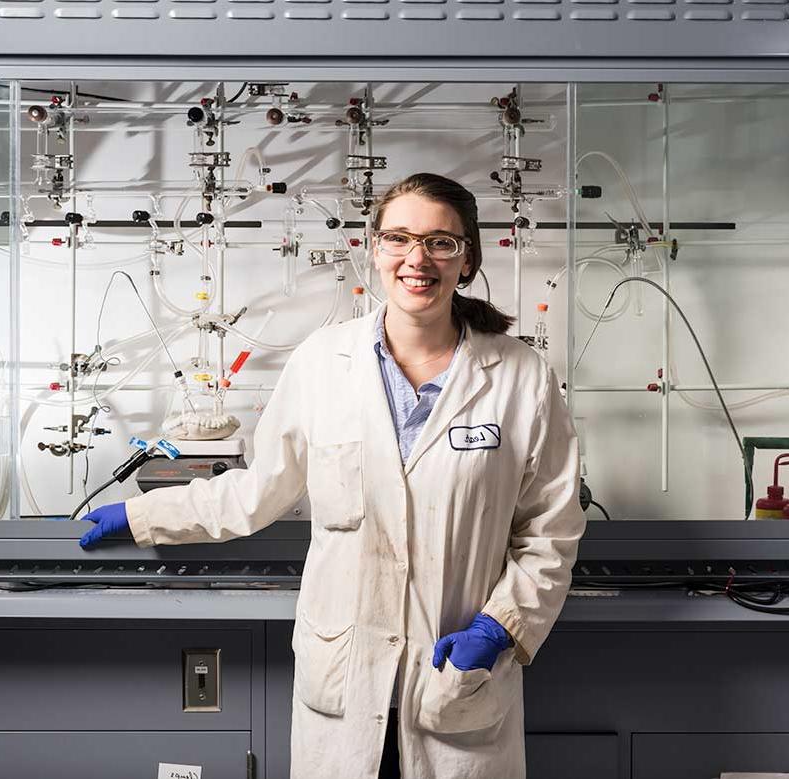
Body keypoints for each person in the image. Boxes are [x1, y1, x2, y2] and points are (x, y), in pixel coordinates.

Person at [79, 172, 586, 779]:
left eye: (441, 242)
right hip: (345, 676)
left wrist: (499, 626)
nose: (417, 259)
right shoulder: (323, 361)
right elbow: (258, 490)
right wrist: (141, 515)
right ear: (373, 248)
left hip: (459, 680)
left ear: (468, 258)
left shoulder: (520, 375)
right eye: (398, 238)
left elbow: (550, 530)